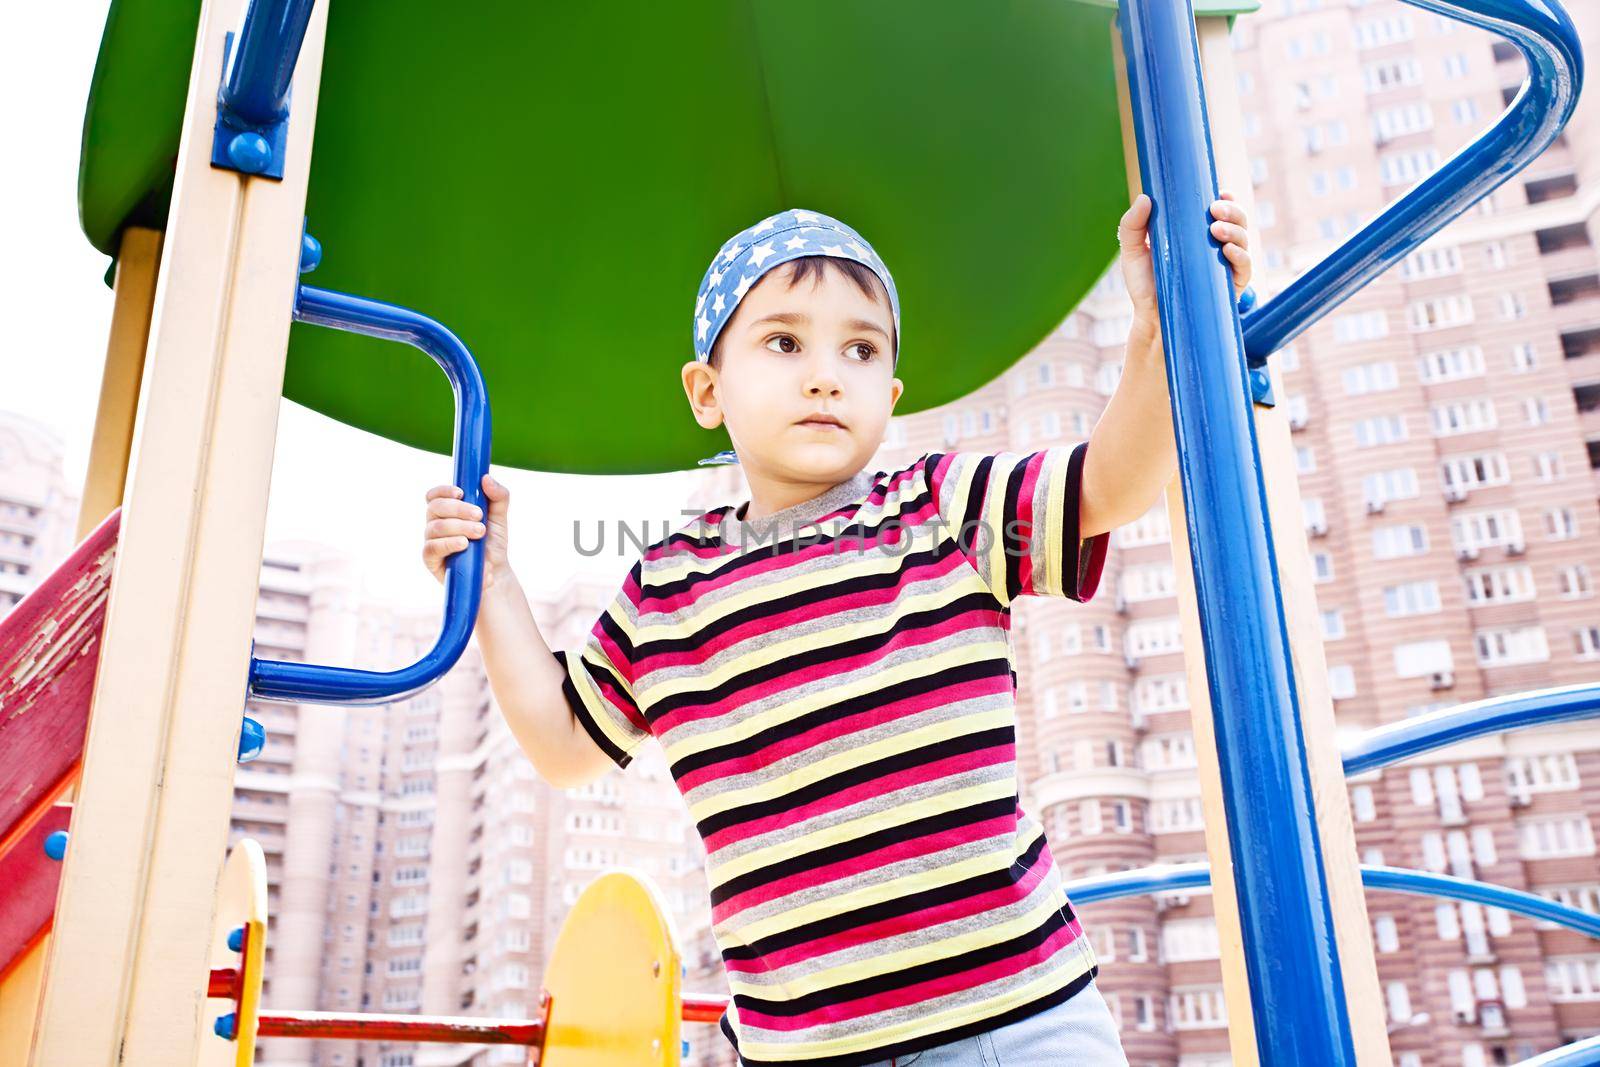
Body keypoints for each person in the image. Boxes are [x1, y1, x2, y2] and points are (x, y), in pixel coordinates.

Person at [420, 193, 1252, 1066]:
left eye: (859, 349)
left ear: (889, 394)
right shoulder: (668, 586)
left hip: (1014, 1017)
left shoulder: (942, 509)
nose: (825, 374)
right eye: (784, 343)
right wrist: (495, 581)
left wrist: (1162, 332)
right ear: (707, 391)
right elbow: (562, 743)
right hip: (804, 1047)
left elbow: (1111, 482)